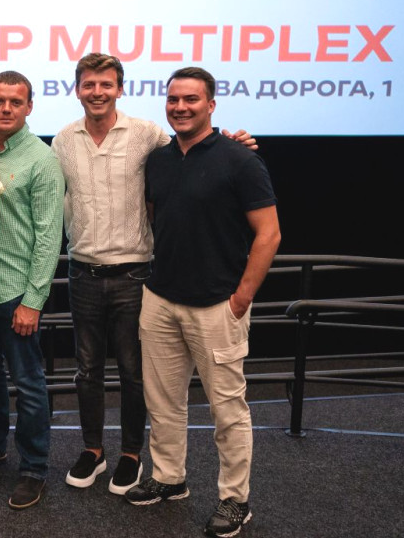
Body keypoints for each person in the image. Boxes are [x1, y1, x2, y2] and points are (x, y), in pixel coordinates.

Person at [51, 53, 257, 496]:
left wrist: (235, 140)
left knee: (133, 373)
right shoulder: (63, 140)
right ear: (77, 89)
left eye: (106, 84)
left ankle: (131, 454)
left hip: (135, 275)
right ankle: (95, 451)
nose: (98, 92)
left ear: (120, 89)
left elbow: (196, 149)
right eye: (89, 84)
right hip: (84, 273)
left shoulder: (147, 134)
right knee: (87, 371)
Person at [126, 67, 280, 538]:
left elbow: (269, 234)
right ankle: (169, 478)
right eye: (173, 99)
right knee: (163, 402)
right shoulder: (158, 160)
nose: (180, 107)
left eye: (191, 99)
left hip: (218, 306)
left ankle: (236, 500)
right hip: (160, 299)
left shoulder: (240, 159)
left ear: (211, 105)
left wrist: (241, 298)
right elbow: (159, 219)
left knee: (227, 411)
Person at [0, 71, 65, 510]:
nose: (6, 108)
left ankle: (34, 468)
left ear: (29, 107)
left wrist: (33, 302)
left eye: (15, 102)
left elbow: (49, 238)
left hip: (15, 292)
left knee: (28, 382)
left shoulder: (42, 160)